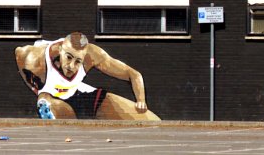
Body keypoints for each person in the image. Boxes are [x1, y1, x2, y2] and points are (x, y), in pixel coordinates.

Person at [16, 32, 158, 120]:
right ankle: (51, 108)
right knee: (46, 101)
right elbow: (18, 53)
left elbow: (133, 74)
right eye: (69, 58)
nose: (71, 66)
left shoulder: (94, 55)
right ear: (60, 49)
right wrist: (40, 91)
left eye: (78, 61)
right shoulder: (33, 58)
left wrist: (141, 100)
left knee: (151, 122)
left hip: (81, 93)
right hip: (54, 98)